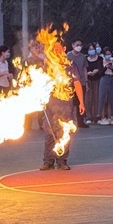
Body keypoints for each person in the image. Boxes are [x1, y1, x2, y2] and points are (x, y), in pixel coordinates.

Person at [40, 36, 84, 170]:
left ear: (64, 49)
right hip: (50, 104)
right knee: (49, 132)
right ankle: (48, 160)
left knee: (64, 132)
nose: (56, 50)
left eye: (58, 48)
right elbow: (41, 82)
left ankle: (62, 160)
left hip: (66, 105)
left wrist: (81, 102)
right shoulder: (48, 64)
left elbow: (77, 83)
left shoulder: (70, 65)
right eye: (54, 48)